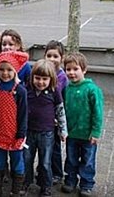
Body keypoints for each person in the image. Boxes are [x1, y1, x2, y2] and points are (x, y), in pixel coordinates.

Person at [0, 51, 28, 196]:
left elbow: (23, 114)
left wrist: (21, 134)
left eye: (9, 70)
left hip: (14, 135)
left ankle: (16, 190)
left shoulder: (20, 91)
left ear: (15, 71)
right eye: (2, 69)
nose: (5, 73)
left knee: (17, 163)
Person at [61, 52, 104, 197]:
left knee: (88, 161)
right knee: (71, 159)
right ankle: (71, 180)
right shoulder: (67, 89)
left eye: (75, 69)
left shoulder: (92, 89)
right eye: (68, 69)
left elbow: (97, 112)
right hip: (72, 133)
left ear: (84, 69)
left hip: (87, 135)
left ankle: (86, 184)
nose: (71, 73)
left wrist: (96, 132)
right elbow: (63, 110)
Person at [23, 59, 67, 197]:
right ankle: (26, 181)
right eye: (37, 78)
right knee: (27, 159)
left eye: (44, 79)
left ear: (51, 79)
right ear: (32, 77)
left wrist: (63, 129)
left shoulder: (55, 91)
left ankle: (45, 186)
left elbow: (60, 111)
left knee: (45, 162)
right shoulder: (27, 89)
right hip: (29, 132)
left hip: (47, 133)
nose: (40, 82)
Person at [44, 40, 69, 184]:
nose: (52, 59)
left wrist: (60, 121)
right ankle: (45, 170)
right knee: (45, 147)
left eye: (56, 56)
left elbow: (63, 100)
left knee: (55, 148)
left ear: (62, 58)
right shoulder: (42, 72)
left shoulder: (63, 78)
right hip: (44, 118)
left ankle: (57, 173)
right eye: (49, 55)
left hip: (55, 119)